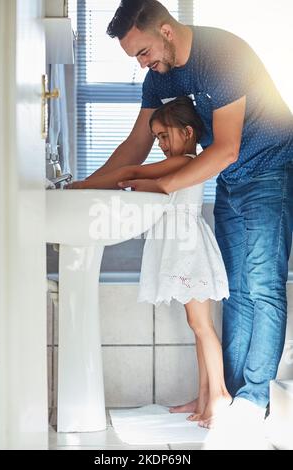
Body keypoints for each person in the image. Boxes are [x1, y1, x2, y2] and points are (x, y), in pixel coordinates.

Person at [70, 0, 293, 435]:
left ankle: (255, 397)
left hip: (270, 166)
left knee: (262, 285)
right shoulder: (160, 78)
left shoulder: (222, 56)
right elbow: (136, 147)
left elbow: (225, 146)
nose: (143, 65)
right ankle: (222, 393)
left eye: (143, 53)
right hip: (230, 177)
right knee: (238, 290)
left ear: (167, 31)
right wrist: (85, 186)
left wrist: (163, 184)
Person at [67, 97, 231, 427]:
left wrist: (82, 187)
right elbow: (143, 182)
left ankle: (220, 395)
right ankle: (204, 396)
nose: (159, 144)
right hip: (183, 246)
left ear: (187, 132)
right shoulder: (183, 161)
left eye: (163, 136)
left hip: (188, 250)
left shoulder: (183, 159)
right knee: (197, 326)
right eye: (155, 138)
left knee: (202, 326)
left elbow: (129, 171)